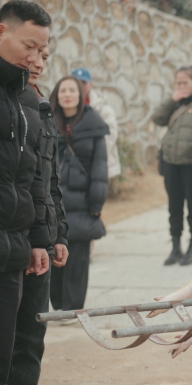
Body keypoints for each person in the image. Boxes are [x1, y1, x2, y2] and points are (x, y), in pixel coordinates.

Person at [9, 45, 69, 385]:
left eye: (45, 57)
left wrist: (58, 234)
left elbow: (50, 180)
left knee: (31, 341)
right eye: (32, 53)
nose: (38, 63)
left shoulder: (42, 105)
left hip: (42, 244)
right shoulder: (11, 102)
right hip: (19, 241)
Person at [0, 2, 51, 383]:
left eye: (42, 52)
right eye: (29, 46)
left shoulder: (26, 102)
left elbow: (35, 178)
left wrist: (37, 239)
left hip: (13, 254)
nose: (34, 59)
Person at [49, 76, 109, 315]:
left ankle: (73, 308)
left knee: (77, 260)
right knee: (53, 254)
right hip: (53, 201)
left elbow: (99, 167)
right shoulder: (47, 121)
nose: (67, 94)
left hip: (82, 202)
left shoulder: (93, 124)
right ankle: (58, 305)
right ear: (57, 94)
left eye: (72, 90)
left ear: (80, 94)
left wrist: (96, 202)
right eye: (63, 90)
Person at [152, 66, 192, 266]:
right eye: (178, 83)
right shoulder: (174, 104)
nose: (181, 87)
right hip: (170, 163)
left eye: (185, 83)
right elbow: (157, 118)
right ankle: (176, 247)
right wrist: (171, 99)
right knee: (174, 206)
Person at [71, 67, 121, 181]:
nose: (80, 85)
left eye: (83, 82)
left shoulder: (103, 108)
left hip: (97, 163)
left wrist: (96, 157)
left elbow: (111, 135)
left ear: (90, 84)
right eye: (76, 82)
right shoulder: (65, 107)